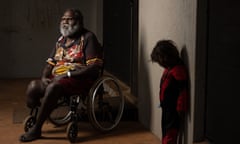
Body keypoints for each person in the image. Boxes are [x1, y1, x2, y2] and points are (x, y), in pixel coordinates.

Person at [19, 8, 103, 142]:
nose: (65, 22)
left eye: (68, 19)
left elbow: (93, 67)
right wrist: (44, 77)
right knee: (33, 87)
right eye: (63, 19)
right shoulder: (61, 40)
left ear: (78, 21)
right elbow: (50, 63)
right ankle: (43, 110)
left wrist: (68, 74)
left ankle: (37, 129)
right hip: (58, 77)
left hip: (78, 78)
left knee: (53, 88)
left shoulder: (88, 38)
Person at [151, 40, 188, 144]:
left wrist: (180, 108)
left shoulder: (177, 70)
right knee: (166, 131)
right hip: (166, 108)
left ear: (165, 58)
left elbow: (182, 91)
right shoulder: (169, 68)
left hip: (173, 110)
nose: (161, 65)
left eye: (160, 61)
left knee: (170, 133)